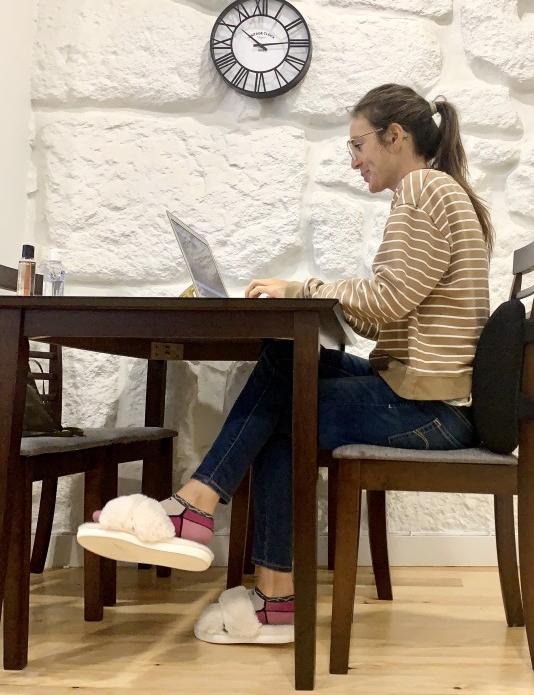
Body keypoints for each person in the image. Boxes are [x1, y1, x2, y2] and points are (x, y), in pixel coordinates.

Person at [77, 83, 494, 645]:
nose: (353, 162)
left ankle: (240, 559)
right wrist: (317, 294)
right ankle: (214, 528)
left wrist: (305, 287)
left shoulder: (423, 189)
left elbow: (389, 299)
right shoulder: (432, 191)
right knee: (284, 360)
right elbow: (381, 317)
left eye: (358, 144)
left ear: (395, 137)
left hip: (434, 407)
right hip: (419, 390)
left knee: (285, 410)